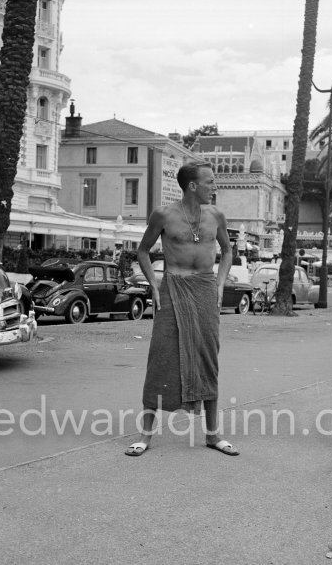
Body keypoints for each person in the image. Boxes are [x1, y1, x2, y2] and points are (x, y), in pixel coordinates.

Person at [125, 161, 239, 457]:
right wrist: (153, 283)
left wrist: (221, 283)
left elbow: (227, 251)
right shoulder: (164, 215)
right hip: (172, 289)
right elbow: (142, 251)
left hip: (204, 290)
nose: (215, 187)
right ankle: (145, 435)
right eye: (211, 182)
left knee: (207, 358)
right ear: (193, 185)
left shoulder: (216, 215)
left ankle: (213, 435)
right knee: (161, 357)